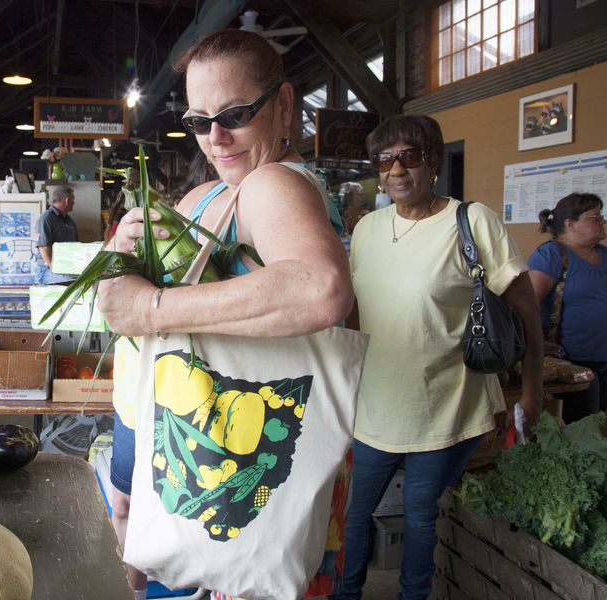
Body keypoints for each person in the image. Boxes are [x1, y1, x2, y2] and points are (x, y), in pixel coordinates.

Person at [98, 29, 353, 600]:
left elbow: (321, 288)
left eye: (235, 113)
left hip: (243, 466)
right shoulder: (209, 197)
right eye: (197, 121)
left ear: (284, 105)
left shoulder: (272, 184)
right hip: (210, 457)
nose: (215, 138)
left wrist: (150, 306)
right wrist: (125, 256)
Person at [332, 114, 543, 600]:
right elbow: (357, 312)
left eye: (409, 157)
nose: (396, 170)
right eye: (384, 160)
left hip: (445, 400)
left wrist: (533, 392)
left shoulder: (471, 221)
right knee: (352, 512)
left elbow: (526, 311)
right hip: (375, 405)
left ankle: (414, 595)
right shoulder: (366, 228)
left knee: (420, 515)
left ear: (433, 164)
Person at [528, 193, 607, 423]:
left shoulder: (606, 254)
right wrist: (536, 340)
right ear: (570, 224)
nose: (602, 221)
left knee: (595, 424)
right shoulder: (552, 254)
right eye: (594, 216)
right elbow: (529, 302)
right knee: (580, 427)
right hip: (574, 360)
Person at [32, 186, 78, 284]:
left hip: (67, 268)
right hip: (47, 270)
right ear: (67, 200)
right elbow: (44, 249)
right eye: (73, 200)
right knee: (75, 282)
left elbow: (77, 246)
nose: (74, 203)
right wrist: (57, 271)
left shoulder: (68, 220)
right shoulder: (46, 219)